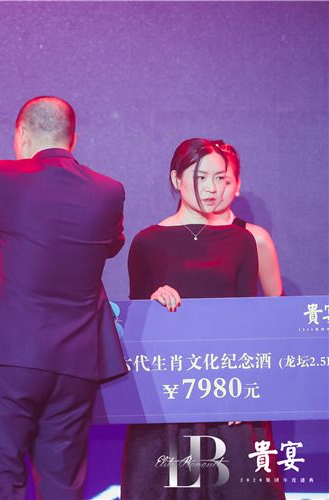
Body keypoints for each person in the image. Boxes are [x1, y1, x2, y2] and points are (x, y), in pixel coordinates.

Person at [0, 96, 128, 498]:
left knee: (1, 474)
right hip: (76, 361)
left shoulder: (3, 178)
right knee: (62, 479)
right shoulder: (108, 192)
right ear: (73, 138)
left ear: (21, 135)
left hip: (11, 356)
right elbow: (111, 244)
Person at [121, 138, 284, 499]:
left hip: (228, 393)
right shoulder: (147, 242)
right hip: (172, 398)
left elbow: (248, 321)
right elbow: (135, 331)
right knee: (179, 487)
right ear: (176, 179)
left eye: (219, 178)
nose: (211, 188)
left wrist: (246, 387)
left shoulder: (241, 241)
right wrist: (153, 302)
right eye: (200, 177)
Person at [212, 143, 283, 296]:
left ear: (238, 184)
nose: (215, 189)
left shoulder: (257, 239)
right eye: (205, 179)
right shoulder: (178, 236)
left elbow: (277, 303)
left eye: (224, 181)